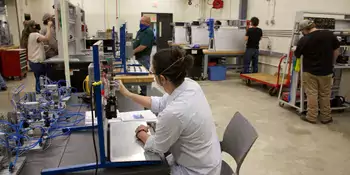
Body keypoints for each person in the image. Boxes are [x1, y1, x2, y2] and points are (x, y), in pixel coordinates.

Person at [118, 48, 222, 174]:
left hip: (196, 171)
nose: (152, 73)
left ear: (162, 79)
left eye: (153, 72)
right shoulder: (189, 85)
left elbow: (158, 147)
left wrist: (141, 133)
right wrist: (128, 94)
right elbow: (160, 103)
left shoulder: (174, 112)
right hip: (206, 159)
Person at [294, 19, 340, 124]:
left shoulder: (304, 40)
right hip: (327, 71)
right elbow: (337, 51)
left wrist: (295, 49)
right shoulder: (329, 35)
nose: (302, 33)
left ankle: (311, 117)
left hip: (310, 72)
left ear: (305, 29)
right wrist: (331, 63)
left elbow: (297, 55)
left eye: (302, 31)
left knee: (312, 94)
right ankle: (326, 117)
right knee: (325, 94)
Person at [22, 20, 52, 93]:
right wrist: (48, 26)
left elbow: (35, 46)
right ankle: (40, 95)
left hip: (32, 62)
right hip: (37, 62)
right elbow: (47, 38)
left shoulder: (29, 35)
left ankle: (38, 94)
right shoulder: (34, 35)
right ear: (34, 26)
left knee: (38, 79)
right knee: (41, 80)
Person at [133, 16, 155, 96]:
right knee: (140, 76)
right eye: (140, 21)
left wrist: (132, 51)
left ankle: (146, 94)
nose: (140, 23)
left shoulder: (148, 32)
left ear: (147, 23)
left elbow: (143, 46)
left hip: (144, 57)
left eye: (142, 21)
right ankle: (143, 92)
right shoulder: (140, 31)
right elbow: (136, 41)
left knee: (143, 77)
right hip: (138, 57)